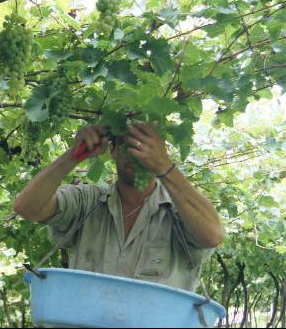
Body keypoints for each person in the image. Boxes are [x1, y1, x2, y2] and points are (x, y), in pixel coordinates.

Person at [13, 123, 224, 291]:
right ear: (112, 150)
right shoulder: (88, 202)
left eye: (144, 146)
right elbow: (28, 207)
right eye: (127, 145)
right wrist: (73, 155)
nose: (135, 154)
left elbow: (212, 236)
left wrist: (165, 167)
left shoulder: (181, 211)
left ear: (162, 151)